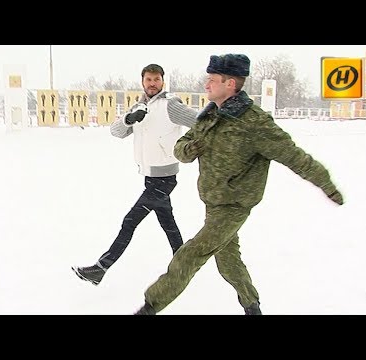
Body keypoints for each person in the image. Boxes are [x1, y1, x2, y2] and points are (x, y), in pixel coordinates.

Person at [133, 54, 345, 315]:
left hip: (234, 205)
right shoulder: (209, 116)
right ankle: (251, 306)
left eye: (212, 80)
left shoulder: (255, 122)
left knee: (191, 254)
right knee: (228, 261)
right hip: (212, 201)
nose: (206, 85)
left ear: (230, 83)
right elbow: (180, 149)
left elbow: (295, 156)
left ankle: (150, 307)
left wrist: (328, 185)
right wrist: (191, 148)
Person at [72, 64, 198, 286]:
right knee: (169, 224)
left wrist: (190, 146)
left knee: (129, 222)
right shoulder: (139, 106)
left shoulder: (170, 105)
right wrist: (129, 119)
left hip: (165, 178)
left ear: (162, 81)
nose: (152, 83)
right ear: (142, 82)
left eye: (156, 79)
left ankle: (100, 268)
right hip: (150, 177)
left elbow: (198, 121)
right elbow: (116, 132)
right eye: (148, 79)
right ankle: (184, 264)